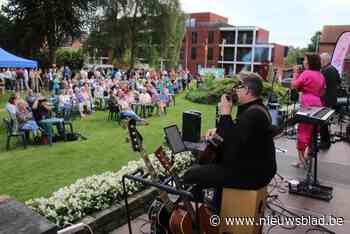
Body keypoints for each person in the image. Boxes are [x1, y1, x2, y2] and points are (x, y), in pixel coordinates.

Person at [183, 72, 277, 213]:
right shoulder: (256, 109)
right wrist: (218, 129)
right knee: (205, 168)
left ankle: (200, 219)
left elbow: (231, 150)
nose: (234, 90)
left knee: (190, 175)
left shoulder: (253, 114)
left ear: (246, 90)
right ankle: (215, 209)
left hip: (251, 174)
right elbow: (238, 134)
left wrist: (225, 114)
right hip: (254, 167)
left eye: (237, 86)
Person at [291, 53, 326, 168]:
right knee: (313, 131)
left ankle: (301, 160)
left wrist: (295, 73)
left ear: (310, 62)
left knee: (303, 131)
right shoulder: (320, 75)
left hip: (307, 104)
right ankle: (307, 157)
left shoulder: (306, 73)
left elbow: (294, 86)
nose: (303, 62)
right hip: (318, 103)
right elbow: (322, 91)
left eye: (305, 60)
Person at [319, 53, 341, 150]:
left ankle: (325, 142)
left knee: (322, 122)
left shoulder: (324, 71)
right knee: (325, 121)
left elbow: (320, 85)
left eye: (320, 60)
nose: (319, 62)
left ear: (324, 61)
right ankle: (325, 141)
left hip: (325, 99)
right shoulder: (334, 69)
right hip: (332, 99)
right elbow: (339, 82)